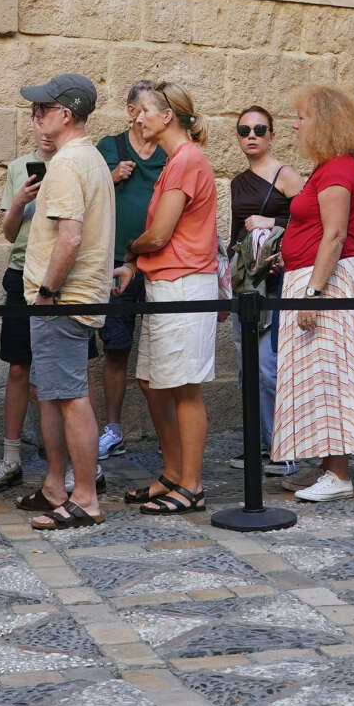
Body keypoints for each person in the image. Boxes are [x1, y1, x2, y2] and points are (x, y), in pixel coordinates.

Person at [275, 87, 354, 504]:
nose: (296, 124)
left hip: (327, 282)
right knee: (317, 375)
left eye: (302, 117)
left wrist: (312, 293)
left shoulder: (338, 169)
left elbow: (334, 235)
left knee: (330, 374)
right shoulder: (329, 167)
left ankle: (338, 474)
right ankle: (326, 465)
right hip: (313, 278)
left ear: (324, 122)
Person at [16, 74, 114, 531]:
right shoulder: (89, 158)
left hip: (63, 300)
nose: (35, 117)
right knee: (55, 395)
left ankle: (86, 498)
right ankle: (57, 487)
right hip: (72, 298)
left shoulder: (67, 164)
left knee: (72, 397)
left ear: (65, 114)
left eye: (41, 110)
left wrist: (46, 292)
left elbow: (69, 238)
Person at [122, 84, 217, 513]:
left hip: (183, 284)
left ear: (167, 117)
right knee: (152, 381)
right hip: (167, 284)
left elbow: (159, 234)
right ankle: (173, 473)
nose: (137, 119)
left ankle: (191, 486)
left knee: (183, 388)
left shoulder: (186, 161)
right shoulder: (176, 162)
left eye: (143, 112)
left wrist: (128, 249)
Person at [226, 104, 301, 480]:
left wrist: (270, 220)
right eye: (243, 130)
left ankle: (283, 448)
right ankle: (258, 445)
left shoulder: (286, 175)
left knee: (269, 367)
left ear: (272, 134)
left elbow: (310, 220)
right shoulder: (238, 182)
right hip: (245, 280)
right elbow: (235, 233)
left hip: (276, 278)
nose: (251, 136)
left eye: (258, 129)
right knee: (246, 367)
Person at [94, 81, 167, 462]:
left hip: (159, 264)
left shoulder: (170, 153)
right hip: (117, 264)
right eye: (140, 109)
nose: (145, 116)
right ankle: (113, 429)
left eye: (152, 109)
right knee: (117, 349)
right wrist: (113, 175)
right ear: (130, 111)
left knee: (164, 350)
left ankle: (167, 433)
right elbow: (86, 191)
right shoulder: (111, 146)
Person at [0, 129, 53, 494]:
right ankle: (11, 457)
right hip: (21, 273)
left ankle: (70, 458)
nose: (41, 125)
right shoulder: (18, 168)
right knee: (18, 365)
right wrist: (19, 202)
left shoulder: (76, 164)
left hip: (63, 278)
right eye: (36, 116)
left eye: (46, 114)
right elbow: (9, 234)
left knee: (71, 368)